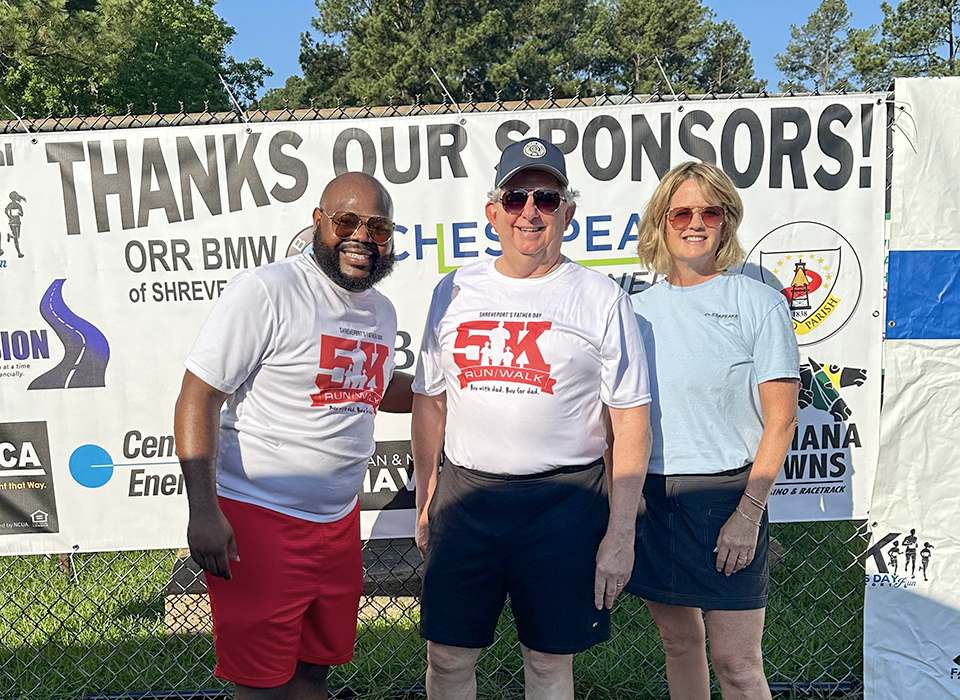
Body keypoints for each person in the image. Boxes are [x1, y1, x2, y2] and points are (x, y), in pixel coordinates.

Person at [412, 137, 652, 700]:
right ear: (493, 212)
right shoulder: (454, 290)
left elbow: (632, 422)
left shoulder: (601, 298)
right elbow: (431, 400)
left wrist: (621, 532)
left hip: (564, 504)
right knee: (447, 658)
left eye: (546, 198)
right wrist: (426, 497)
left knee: (547, 665)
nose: (530, 211)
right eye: (516, 197)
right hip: (467, 497)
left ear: (567, 212)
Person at [174, 172, 412, 700]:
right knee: (262, 685)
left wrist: (457, 394)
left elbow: (372, 386)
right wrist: (203, 510)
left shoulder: (380, 310)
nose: (362, 237)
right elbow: (199, 396)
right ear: (318, 222)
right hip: (259, 518)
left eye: (378, 228)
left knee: (313, 673)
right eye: (347, 221)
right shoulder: (269, 291)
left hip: (338, 521)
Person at [627, 161, 799, 699]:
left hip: (727, 497)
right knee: (678, 642)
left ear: (726, 221)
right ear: (661, 222)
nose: (695, 222)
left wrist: (748, 515)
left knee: (738, 663)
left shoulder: (758, 301)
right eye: (682, 211)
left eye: (710, 211)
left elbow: (783, 420)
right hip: (653, 497)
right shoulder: (633, 311)